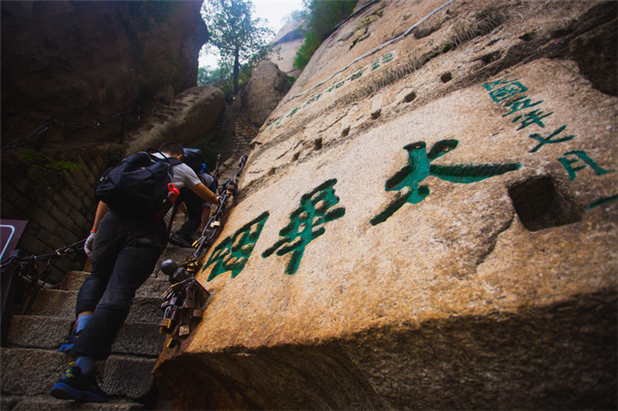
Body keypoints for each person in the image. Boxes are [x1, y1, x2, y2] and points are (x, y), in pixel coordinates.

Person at [50, 142, 218, 403]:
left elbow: (106, 194)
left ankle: (82, 331)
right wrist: (221, 199)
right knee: (120, 290)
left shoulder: (137, 159)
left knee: (97, 277)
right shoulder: (182, 168)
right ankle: (80, 371)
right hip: (146, 230)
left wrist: (94, 231)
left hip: (110, 223)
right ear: (180, 154)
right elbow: (207, 195)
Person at [169, 148, 218, 248]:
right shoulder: (210, 180)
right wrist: (203, 229)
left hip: (178, 188)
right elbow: (207, 205)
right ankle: (181, 235)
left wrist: (185, 212)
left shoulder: (179, 170)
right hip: (193, 190)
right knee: (196, 217)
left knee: (171, 212)